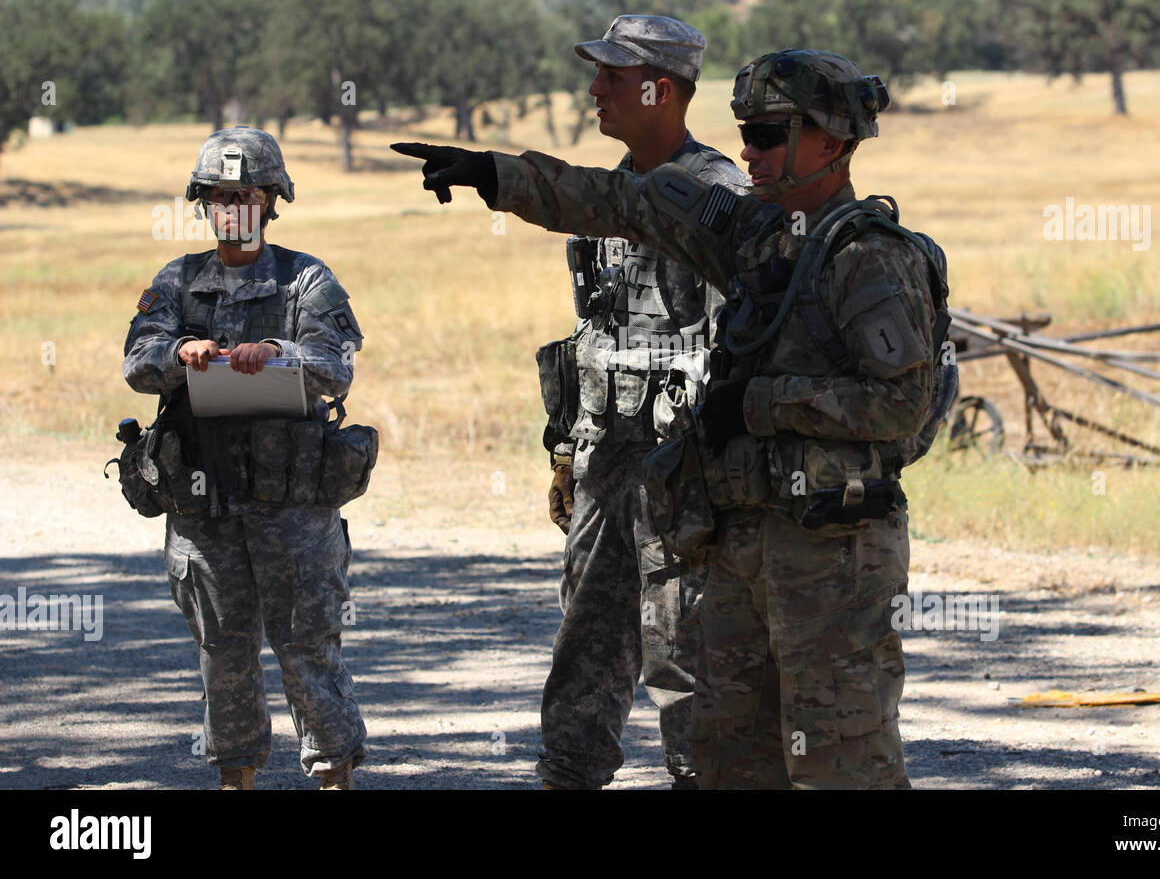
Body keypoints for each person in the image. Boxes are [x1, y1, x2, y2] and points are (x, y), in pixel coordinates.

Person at [392, 49, 952, 788]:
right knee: (729, 757)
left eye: (767, 134)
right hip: (740, 539)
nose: (747, 151)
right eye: (743, 133)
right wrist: (497, 176)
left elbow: (900, 405)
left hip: (833, 544)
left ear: (831, 140)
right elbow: (624, 203)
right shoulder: (754, 235)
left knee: (839, 757)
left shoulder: (869, 258)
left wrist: (756, 403)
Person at [529, 15, 746, 789]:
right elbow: (594, 338)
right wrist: (566, 456)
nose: (594, 90)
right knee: (585, 646)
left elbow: (742, 356)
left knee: (686, 651)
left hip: (685, 478)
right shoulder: (606, 204)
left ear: (659, 89)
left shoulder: (723, 202)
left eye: (612, 78)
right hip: (605, 468)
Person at [123, 126, 368, 789]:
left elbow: (337, 365)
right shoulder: (178, 282)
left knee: (308, 649)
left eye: (247, 193)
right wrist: (180, 354)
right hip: (205, 504)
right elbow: (138, 363)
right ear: (201, 201)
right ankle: (237, 781)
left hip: (291, 504)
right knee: (223, 654)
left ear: (270, 199)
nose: (233, 204)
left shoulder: (304, 278)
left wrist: (280, 354)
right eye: (219, 194)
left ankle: (334, 778)